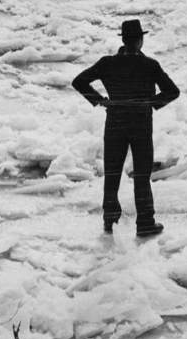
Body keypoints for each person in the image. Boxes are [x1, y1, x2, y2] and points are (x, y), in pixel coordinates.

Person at [72, 19, 179, 238]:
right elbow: (172, 91)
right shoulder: (149, 65)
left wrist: (100, 100)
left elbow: (79, 81)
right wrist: (150, 103)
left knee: (112, 173)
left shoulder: (107, 63)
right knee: (142, 175)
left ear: (123, 39)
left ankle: (110, 220)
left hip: (115, 123)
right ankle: (145, 223)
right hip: (140, 123)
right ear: (140, 40)